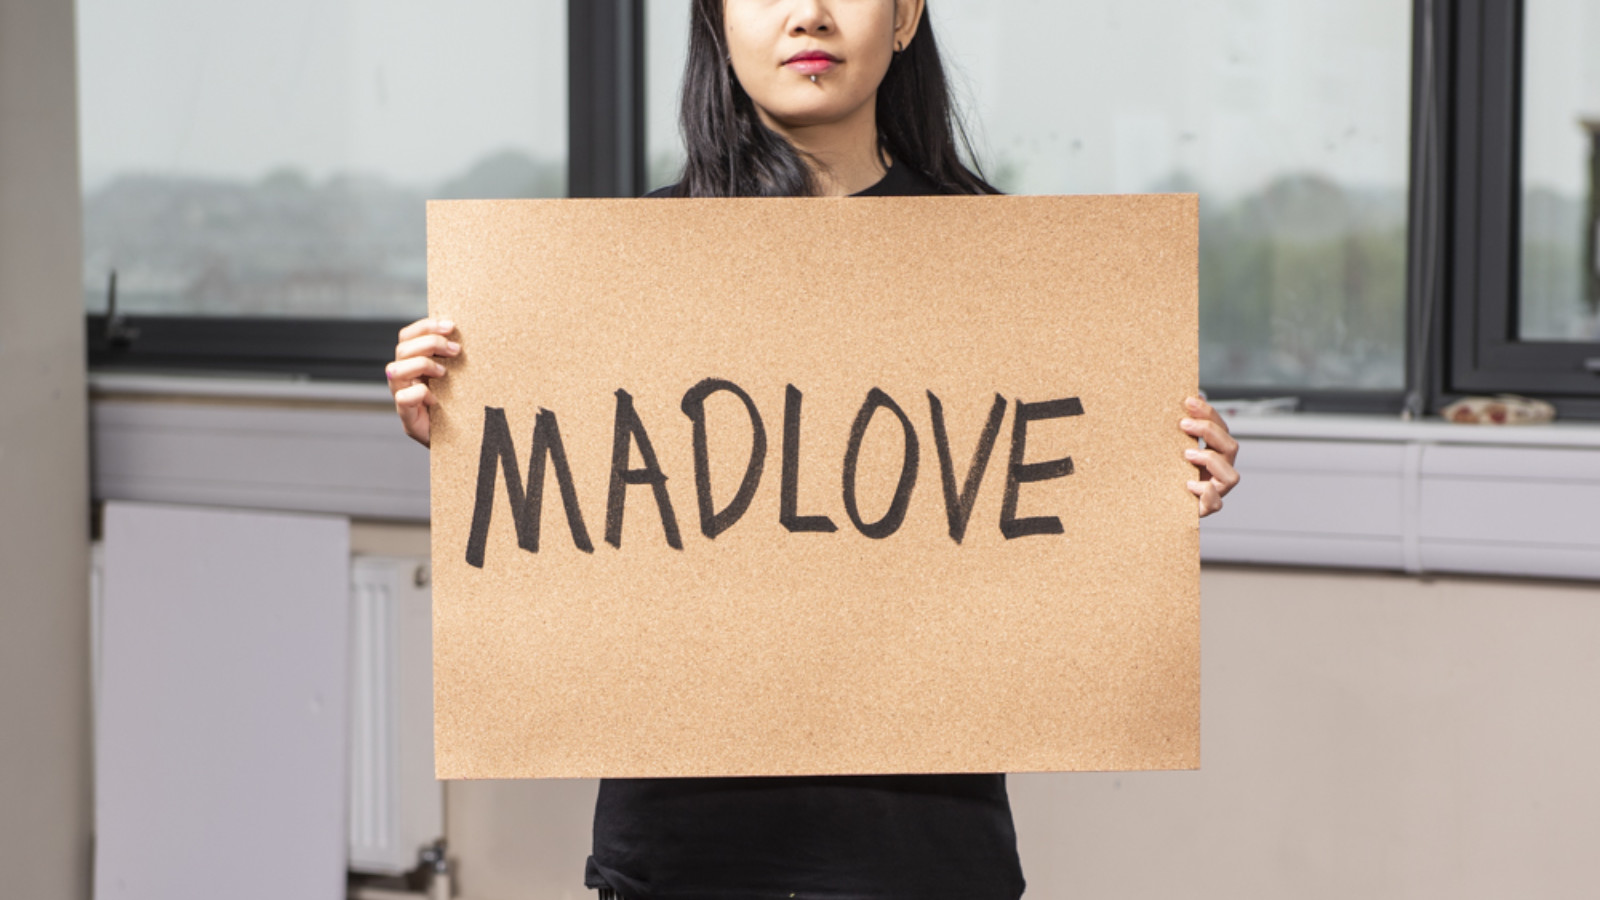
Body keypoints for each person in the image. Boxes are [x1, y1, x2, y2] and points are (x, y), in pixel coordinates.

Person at [387, 1, 1241, 897]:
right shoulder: (614, 272)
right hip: (679, 861)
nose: (809, 13)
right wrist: (459, 417)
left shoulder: (1012, 266)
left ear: (906, 15)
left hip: (922, 855)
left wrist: (1158, 473)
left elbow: (1048, 530)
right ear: (715, 20)